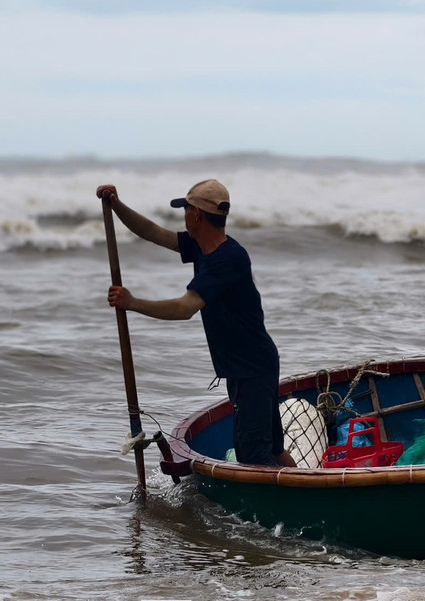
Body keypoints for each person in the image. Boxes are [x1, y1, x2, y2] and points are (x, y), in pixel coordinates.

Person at [96, 179, 296, 467]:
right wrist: (116, 205)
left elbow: (184, 307)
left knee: (255, 456)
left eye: (185, 209)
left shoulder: (228, 259)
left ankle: (285, 504)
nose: (184, 215)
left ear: (197, 215)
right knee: (272, 450)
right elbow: (153, 233)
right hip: (250, 366)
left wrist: (132, 303)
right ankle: (311, 490)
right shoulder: (202, 247)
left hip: (252, 370)